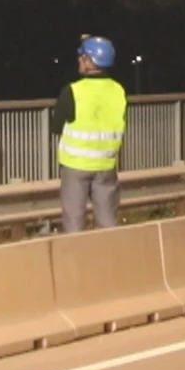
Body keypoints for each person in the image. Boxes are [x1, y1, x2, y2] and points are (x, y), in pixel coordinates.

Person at [53, 35, 128, 231]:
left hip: (75, 166)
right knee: (107, 223)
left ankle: (77, 261)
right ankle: (109, 260)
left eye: (82, 57)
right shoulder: (118, 91)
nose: (79, 60)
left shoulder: (72, 91)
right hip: (106, 166)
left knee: (74, 223)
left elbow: (56, 126)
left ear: (90, 61)